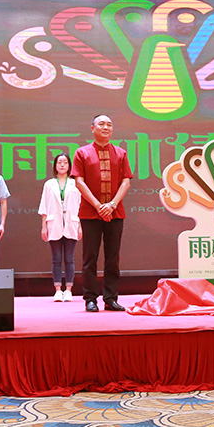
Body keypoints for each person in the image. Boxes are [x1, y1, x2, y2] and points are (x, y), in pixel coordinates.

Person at [72, 114, 133, 312]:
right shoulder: (82, 153)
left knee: (112, 257)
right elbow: (79, 182)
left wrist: (112, 204)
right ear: (92, 128)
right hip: (90, 213)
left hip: (116, 212)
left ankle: (111, 298)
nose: (106, 127)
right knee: (90, 257)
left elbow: (126, 181)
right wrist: (99, 206)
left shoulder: (121, 153)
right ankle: (90, 298)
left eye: (109, 124)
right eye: (101, 124)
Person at [38, 152, 82, 302]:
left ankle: (68, 290)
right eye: (59, 162)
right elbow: (44, 206)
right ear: (55, 165)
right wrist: (44, 226)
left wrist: (80, 226)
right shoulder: (49, 184)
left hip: (72, 222)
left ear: (69, 165)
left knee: (69, 259)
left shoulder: (75, 183)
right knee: (56, 259)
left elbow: (80, 206)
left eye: (65, 162)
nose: (62, 165)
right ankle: (57, 290)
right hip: (54, 223)